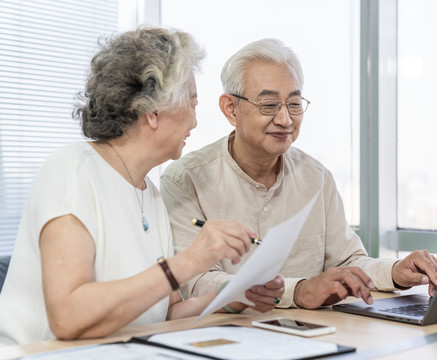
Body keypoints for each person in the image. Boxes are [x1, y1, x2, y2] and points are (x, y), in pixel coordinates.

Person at [0, 28, 284, 346]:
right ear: (153, 112)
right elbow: (68, 316)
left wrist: (231, 297)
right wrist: (190, 260)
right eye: (191, 103)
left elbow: (166, 313)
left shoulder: (150, 194)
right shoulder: (72, 169)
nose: (194, 120)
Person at [160, 38, 437, 312]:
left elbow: (349, 261)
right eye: (269, 105)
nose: (285, 119)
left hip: (312, 332)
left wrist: (396, 272)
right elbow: (194, 283)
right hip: (227, 338)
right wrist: (297, 291)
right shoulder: (185, 180)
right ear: (230, 108)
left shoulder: (317, 178)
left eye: (294, 104)